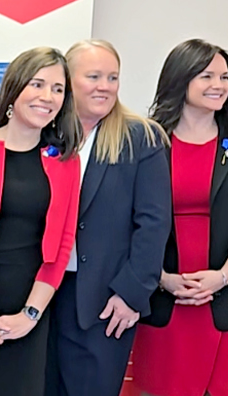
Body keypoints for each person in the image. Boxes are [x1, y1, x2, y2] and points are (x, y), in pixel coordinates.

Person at [45, 39, 171, 396]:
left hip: (103, 299)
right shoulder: (44, 133)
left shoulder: (140, 138)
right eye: (94, 76)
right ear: (68, 80)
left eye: (112, 77)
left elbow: (154, 223)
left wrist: (131, 294)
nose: (105, 86)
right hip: (40, 295)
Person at [0, 47, 82, 396]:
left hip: (28, 315)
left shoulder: (65, 161)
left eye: (58, 89)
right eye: (37, 84)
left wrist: (30, 315)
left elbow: (62, 244)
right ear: (14, 89)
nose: (48, 97)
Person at [131, 39, 228, 396]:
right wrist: (160, 278)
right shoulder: (145, 140)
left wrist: (223, 277)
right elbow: (126, 219)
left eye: (224, 77)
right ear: (180, 79)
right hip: (162, 298)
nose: (219, 85)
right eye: (206, 76)